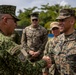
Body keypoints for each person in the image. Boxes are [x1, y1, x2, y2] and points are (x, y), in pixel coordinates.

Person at [0, 5, 51, 75]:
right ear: (5, 20)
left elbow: (45, 42)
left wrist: (38, 52)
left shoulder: (43, 30)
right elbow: (28, 69)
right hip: (29, 56)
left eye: (36, 19)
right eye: (14, 21)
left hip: (38, 55)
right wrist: (44, 61)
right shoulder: (7, 43)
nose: (16, 24)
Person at [43, 8, 76, 75]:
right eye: (59, 21)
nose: (59, 23)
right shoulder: (57, 40)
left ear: (72, 21)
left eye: (62, 20)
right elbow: (50, 58)